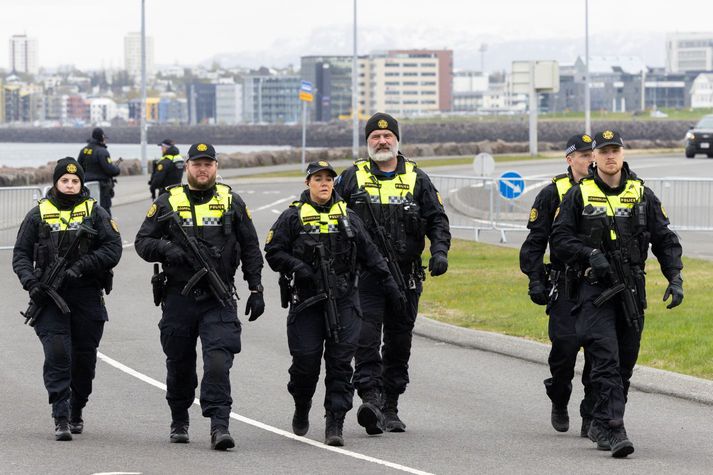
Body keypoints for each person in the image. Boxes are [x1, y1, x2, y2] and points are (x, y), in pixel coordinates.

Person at [550, 130, 684, 458]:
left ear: (623, 154)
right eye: (604, 151)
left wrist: (675, 277)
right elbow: (560, 239)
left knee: (624, 362)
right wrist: (587, 254)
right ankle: (614, 427)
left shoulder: (641, 194)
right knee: (606, 358)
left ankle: (598, 419)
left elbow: (664, 239)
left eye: (615, 151)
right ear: (593, 157)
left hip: (632, 291)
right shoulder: (579, 195)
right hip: (593, 292)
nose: (610, 157)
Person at [134, 142, 264, 451]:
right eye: (196, 164)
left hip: (218, 298)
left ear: (216, 167)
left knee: (219, 362)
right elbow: (142, 242)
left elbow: (250, 248)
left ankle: (220, 425)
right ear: (187, 167)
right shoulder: (167, 202)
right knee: (179, 364)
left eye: (208, 163)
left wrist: (256, 288)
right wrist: (169, 249)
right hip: (179, 297)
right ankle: (179, 419)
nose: (202, 169)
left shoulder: (232, 201)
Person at [264, 161, 404, 447]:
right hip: (307, 303)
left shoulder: (349, 218)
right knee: (305, 365)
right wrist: (297, 267)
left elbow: (372, 255)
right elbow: (273, 251)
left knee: (340, 365)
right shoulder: (292, 217)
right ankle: (302, 404)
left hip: (343, 302)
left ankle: (335, 421)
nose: (324, 183)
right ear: (308, 183)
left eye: (328, 179)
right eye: (318, 179)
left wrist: (392, 286)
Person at [334, 112, 451, 435]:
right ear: (367, 142)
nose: (382, 141)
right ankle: (370, 397)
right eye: (375, 137)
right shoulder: (352, 177)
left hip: (405, 277)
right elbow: (331, 217)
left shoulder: (417, 178)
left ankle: (391, 406)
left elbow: (437, 220)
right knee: (366, 339)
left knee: (399, 343)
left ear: (397, 141)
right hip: (365, 277)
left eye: (387, 137)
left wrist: (439, 252)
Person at [12, 157, 122, 441]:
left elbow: (113, 249)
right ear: (56, 182)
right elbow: (21, 255)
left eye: (75, 181)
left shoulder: (96, 213)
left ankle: (76, 409)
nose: (70, 185)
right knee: (58, 355)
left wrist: (82, 266)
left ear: (81, 183)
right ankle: (60, 415)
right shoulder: (38, 213)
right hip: (50, 298)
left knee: (84, 361)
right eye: (65, 180)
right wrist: (31, 283)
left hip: (86, 296)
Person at [519, 134, 596, 436]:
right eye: (583, 155)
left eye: (593, 154)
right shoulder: (553, 193)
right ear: (569, 159)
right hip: (565, 285)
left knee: (598, 352)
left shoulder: (605, 190)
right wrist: (535, 280)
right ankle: (560, 398)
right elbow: (535, 243)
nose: (590, 160)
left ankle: (591, 414)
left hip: (599, 286)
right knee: (564, 351)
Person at [78, 127, 121, 216]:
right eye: (104, 138)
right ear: (101, 137)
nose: (105, 140)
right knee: (104, 210)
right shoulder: (102, 151)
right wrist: (117, 169)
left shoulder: (84, 150)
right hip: (101, 187)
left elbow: (78, 168)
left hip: (86, 186)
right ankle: (108, 228)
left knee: (88, 209)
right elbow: (110, 170)